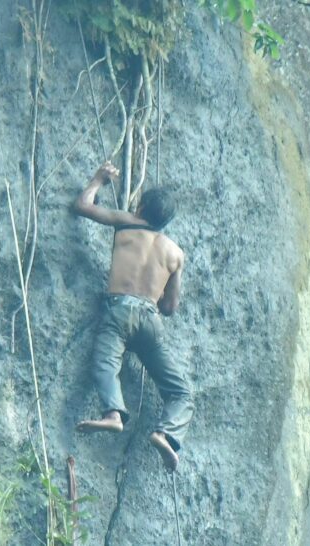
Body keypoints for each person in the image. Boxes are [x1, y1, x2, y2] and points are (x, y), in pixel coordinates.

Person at [72, 161, 193, 472]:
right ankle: (166, 432)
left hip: (119, 311)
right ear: (165, 222)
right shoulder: (176, 254)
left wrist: (98, 179)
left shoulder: (127, 223)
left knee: (106, 363)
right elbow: (170, 307)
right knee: (181, 392)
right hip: (150, 321)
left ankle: (114, 414)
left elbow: (82, 206)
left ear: (139, 207)